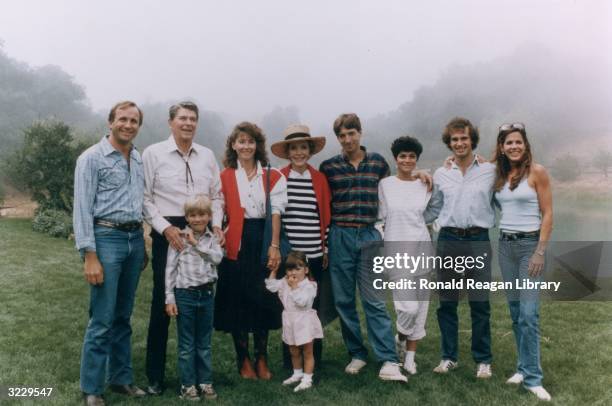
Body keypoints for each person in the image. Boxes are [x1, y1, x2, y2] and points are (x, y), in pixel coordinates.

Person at [319, 113, 427, 382]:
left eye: (351, 133)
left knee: (374, 300)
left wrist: (419, 173)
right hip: (340, 235)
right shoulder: (328, 167)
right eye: (342, 136)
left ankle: (389, 359)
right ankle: (357, 353)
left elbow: (397, 188)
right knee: (344, 301)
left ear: (360, 133)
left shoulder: (378, 163)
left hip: (369, 235)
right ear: (338, 139)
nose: (347, 139)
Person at [142, 101, 224, 395]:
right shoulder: (153, 153)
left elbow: (217, 195)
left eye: (192, 119)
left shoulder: (207, 156)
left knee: (200, 293)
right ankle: (155, 375)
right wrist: (165, 228)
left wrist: (216, 225)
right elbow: (145, 198)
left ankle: (199, 375)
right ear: (170, 122)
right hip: (170, 228)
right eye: (182, 119)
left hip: (202, 227)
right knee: (162, 303)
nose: (188, 123)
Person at [73, 101, 147, 405]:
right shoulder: (91, 158)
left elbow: (140, 202)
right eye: (123, 119)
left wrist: (144, 241)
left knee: (122, 317)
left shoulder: (138, 158)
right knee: (102, 318)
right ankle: (92, 388)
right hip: (106, 239)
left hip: (134, 239)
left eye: (134, 121)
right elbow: (81, 210)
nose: (128, 125)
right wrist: (89, 254)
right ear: (110, 122)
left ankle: (121, 379)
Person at [214, 121, 288, 380]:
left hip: (263, 237)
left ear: (258, 145)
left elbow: (276, 212)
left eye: (250, 141)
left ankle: (262, 358)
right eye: (241, 141)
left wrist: (274, 245)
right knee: (237, 301)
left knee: (263, 301)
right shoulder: (224, 176)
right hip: (235, 241)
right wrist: (216, 229)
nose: (246, 146)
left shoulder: (273, 175)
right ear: (233, 145)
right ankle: (243, 358)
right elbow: (218, 207)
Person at [424, 117, 495, 379]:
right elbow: (433, 207)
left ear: (472, 140)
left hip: (478, 240)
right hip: (449, 241)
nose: (460, 143)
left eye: (464, 138)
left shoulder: (490, 170)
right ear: (449, 143)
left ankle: (483, 360)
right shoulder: (441, 174)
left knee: (480, 303)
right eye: (454, 139)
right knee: (447, 303)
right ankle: (448, 357)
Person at [493, 123, 553, 401]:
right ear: (502, 147)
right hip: (505, 246)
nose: (514, 146)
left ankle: (533, 378)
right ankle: (522, 367)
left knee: (529, 314)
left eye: (518, 142)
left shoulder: (537, 172)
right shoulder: (499, 175)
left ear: (525, 145)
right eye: (508, 143)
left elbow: (548, 213)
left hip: (530, 246)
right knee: (516, 313)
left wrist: (540, 251)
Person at [270, 124, 336, 369]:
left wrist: (326, 248)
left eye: (303, 148)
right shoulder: (280, 177)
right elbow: (276, 215)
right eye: (294, 148)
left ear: (310, 151)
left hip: (315, 255)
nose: (299, 152)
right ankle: (292, 361)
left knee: (311, 309)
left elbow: (325, 217)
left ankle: (313, 359)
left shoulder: (318, 179)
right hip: (291, 257)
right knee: (289, 308)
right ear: (288, 152)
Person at [378, 135, 432, 375]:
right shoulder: (385, 185)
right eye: (403, 156)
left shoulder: (425, 184)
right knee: (407, 308)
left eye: (412, 156)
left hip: (422, 249)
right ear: (396, 159)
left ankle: (410, 356)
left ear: (417, 159)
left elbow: (432, 215)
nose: (407, 160)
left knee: (420, 308)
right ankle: (400, 337)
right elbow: (379, 220)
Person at [164, 194, 223, 401]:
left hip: (206, 294)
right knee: (187, 344)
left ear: (209, 216)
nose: (198, 219)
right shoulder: (178, 239)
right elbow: (170, 269)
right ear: (187, 217)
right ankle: (188, 385)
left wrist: (196, 244)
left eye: (202, 215)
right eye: (193, 215)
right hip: (185, 295)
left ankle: (205, 383)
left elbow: (217, 258)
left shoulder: (212, 239)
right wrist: (169, 298)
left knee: (204, 343)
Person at [265, 251, 324, 392]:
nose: (294, 272)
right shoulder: (286, 281)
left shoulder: (310, 285)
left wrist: (294, 287)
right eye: (290, 269)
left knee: (307, 351)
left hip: (304, 321)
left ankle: (308, 378)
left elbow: (302, 302)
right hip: (290, 321)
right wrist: (273, 272)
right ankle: (297, 373)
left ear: (306, 270)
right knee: (293, 350)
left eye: (298, 269)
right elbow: (271, 286)